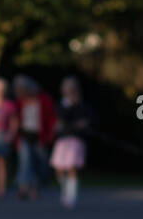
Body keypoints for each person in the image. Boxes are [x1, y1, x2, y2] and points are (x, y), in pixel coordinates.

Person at [50, 75, 94, 209]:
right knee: (58, 168)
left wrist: (82, 123)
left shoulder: (81, 105)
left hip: (75, 139)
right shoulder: (62, 104)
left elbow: (87, 119)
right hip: (63, 139)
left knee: (71, 167)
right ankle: (66, 189)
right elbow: (60, 119)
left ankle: (71, 196)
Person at [12, 75, 56, 200]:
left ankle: (35, 188)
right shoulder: (20, 101)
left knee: (39, 163)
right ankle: (23, 188)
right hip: (24, 135)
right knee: (25, 162)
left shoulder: (43, 99)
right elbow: (17, 119)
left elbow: (51, 118)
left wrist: (50, 136)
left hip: (40, 136)